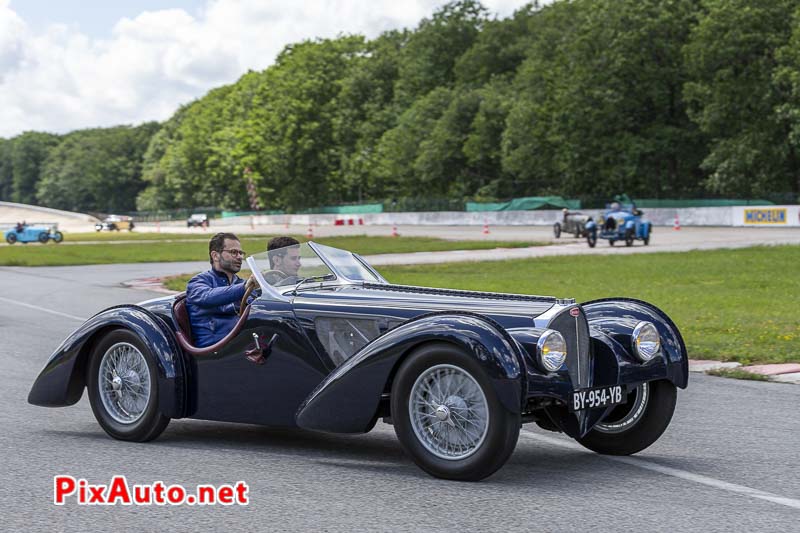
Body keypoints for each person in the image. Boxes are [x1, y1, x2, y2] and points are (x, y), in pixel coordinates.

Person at [186, 232, 258, 348]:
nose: (239, 257)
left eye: (241, 253)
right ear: (215, 256)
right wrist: (244, 288)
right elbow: (207, 297)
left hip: (241, 344)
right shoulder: (198, 282)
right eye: (234, 252)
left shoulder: (239, 282)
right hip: (215, 351)